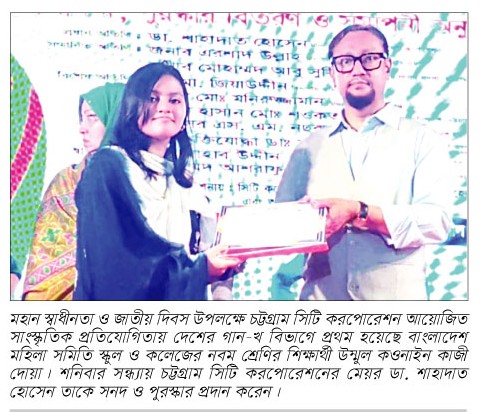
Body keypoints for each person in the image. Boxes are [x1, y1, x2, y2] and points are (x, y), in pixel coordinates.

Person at [275, 24, 453, 300]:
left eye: (369, 58)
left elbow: (436, 222)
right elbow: (279, 225)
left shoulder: (422, 139)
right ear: (333, 74)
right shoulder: (308, 147)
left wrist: (360, 212)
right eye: (345, 61)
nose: (357, 69)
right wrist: (301, 223)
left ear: (387, 67)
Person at [73, 62, 242, 300]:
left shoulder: (186, 184)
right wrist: (198, 270)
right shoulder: (108, 167)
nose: (164, 108)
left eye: (175, 100)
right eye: (152, 99)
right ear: (131, 107)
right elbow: (117, 264)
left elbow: (209, 250)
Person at [22, 82, 125, 300]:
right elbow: (45, 253)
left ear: (117, 117)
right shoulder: (66, 182)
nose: (82, 128)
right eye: (82, 118)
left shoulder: (149, 181)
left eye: (92, 117)